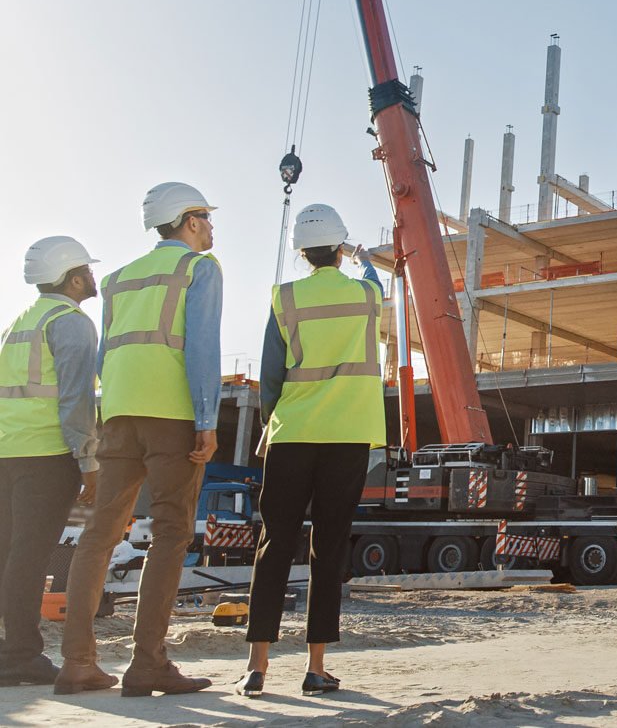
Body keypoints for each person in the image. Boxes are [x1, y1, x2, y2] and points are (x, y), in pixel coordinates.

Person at [55, 182, 222, 697]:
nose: (211, 227)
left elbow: (105, 354)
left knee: (98, 535)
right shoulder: (199, 269)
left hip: (118, 415)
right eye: (207, 218)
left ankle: (77, 663)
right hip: (172, 416)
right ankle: (147, 663)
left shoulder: (117, 278)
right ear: (189, 221)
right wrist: (207, 419)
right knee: (171, 533)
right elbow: (202, 349)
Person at [237, 204, 385, 698]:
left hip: (293, 433)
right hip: (347, 434)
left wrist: (269, 423)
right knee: (329, 548)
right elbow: (376, 283)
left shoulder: (285, 298)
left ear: (302, 253)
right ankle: (315, 667)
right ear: (339, 250)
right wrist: (364, 260)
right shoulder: (365, 295)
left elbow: (271, 372)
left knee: (274, 544)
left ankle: (256, 666)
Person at [0, 238, 101, 687]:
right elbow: (76, 400)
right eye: (87, 270)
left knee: (6, 552)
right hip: (46, 454)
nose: (93, 277)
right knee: (29, 555)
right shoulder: (71, 323)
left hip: (6, 450)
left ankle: (9, 653)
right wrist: (89, 460)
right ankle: (20, 655)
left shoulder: (18, 322)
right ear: (73, 279)